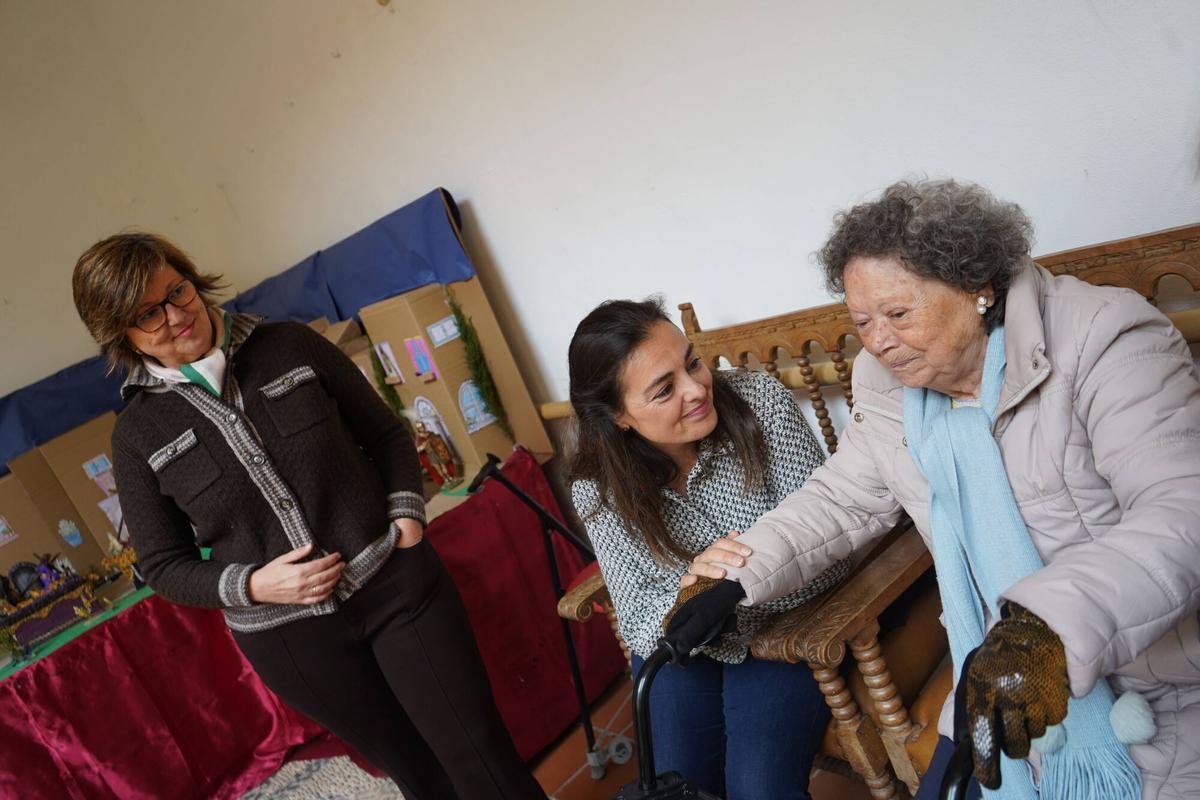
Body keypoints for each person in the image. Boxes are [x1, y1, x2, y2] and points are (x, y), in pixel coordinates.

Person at [664, 179, 1200, 799]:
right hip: (989, 667)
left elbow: (1181, 510)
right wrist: (738, 574)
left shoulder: (1103, 337)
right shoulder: (889, 384)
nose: (878, 341)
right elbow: (844, 496)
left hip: (1152, 676)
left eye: (897, 314)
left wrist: (1046, 630)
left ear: (979, 288)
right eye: (862, 320)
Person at [71, 233, 546, 800]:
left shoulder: (290, 345)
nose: (176, 316)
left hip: (396, 585)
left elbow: (386, 433)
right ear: (121, 335)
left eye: (177, 291)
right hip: (293, 643)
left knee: (480, 754)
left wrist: (406, 518)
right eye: (149, 314)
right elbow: (163, 565)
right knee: (421, 777)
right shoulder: (136, 436)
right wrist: (253, 584)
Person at [567, 298, 852, 800]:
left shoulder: (760, 403)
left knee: (759, 791)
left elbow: (828, 553)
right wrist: (690, 591)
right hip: (682, 645)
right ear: (618, 417)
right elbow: (636, 618)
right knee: (679, 786)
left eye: (692, 362)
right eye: (664, 389)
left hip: (785, 632)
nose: (698, 389)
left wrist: (721, 594)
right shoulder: (597, 486)